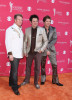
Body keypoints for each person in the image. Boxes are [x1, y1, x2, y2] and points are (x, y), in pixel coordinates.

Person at [20, 14, 48, 89]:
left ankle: (36, 82)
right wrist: (25, 51)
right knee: (28, 67)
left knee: (37, 68)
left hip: (38, 53)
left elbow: (45, 41)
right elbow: (24, 41)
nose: (35, 22)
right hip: (29, 52)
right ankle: (26, 80)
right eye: (34, 21)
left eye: (36, 21)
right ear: (30, 22)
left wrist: (41, 49)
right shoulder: (27, 30)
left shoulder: (42, 30)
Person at [41, 15, 63, 86]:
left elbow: (54, 39)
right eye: (47, 21)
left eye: (49, 21)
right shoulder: (40, 29)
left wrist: (47, 46)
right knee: (43, 65)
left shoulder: (53, 29)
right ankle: (43, 79)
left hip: (51, 50)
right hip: (43, 50)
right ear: (44, 22)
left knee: (54, 65)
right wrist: (45, 49)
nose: (48, 22)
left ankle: (55, 80)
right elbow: (40, 41)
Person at [5, 14, 24, 95]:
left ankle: (10, 83)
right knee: (15, 71)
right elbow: (7, 42)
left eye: (21, 20)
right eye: (19, 19)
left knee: (13, 70)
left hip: (19, 53)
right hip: (13, 54)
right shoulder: (10, 29)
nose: (20, 21)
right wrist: (10, 54)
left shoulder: (20, 29)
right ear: (15, 20)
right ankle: (14, 87)